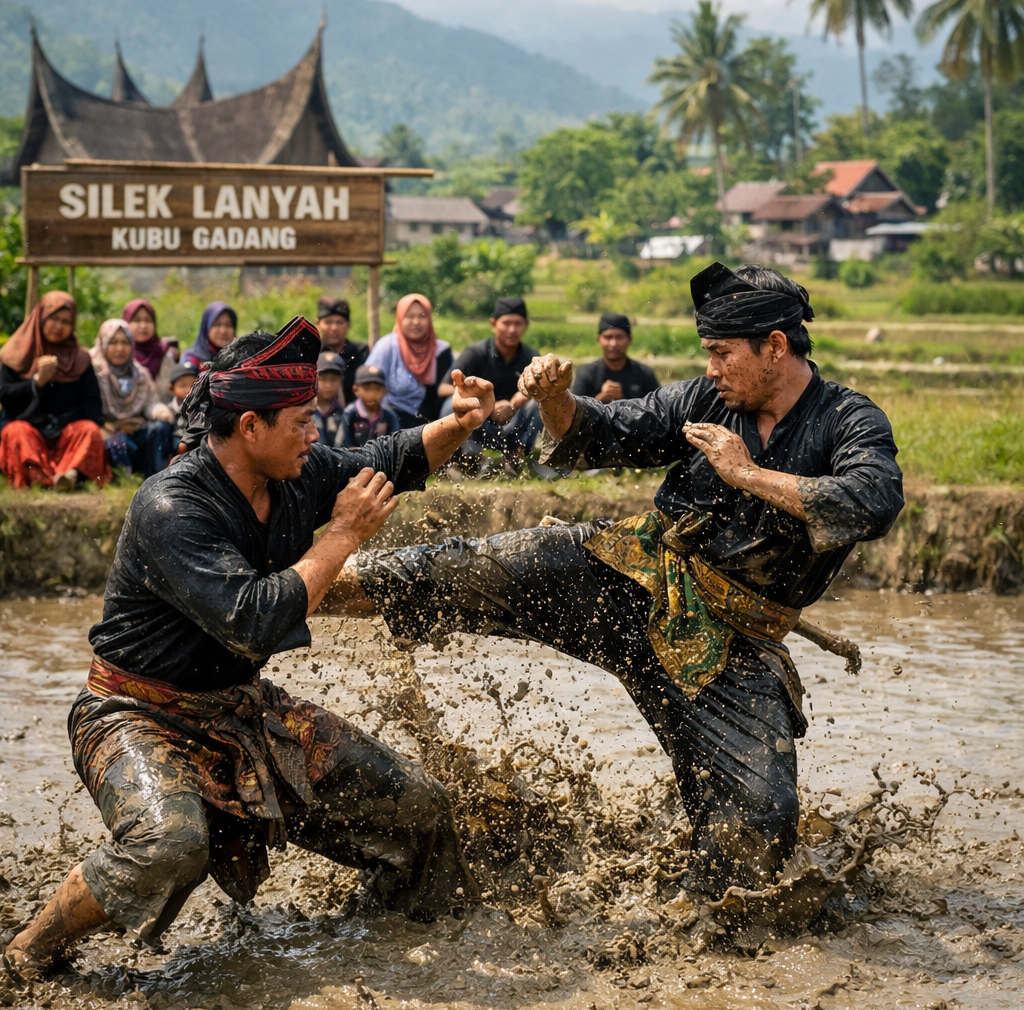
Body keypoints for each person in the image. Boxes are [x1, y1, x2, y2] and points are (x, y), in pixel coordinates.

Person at [316, 263, 905, 901]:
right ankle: (293, 593)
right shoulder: (706, 401)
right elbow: (611, 433)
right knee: (459, 568)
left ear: (776, 347)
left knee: (758, 831)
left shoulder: (848, 419)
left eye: (721, 353)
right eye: (708, 354)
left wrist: (749, 476)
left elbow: (871, 501)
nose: (711, 369)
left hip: (730, 648)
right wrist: (557, 401)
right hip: (631, 579)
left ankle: (703, 942)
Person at [2, 316, 497, 976]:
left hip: (241, 707)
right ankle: (29, 949)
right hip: (137, 715)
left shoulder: (293, 474)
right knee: (169, 845)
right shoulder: (171, 507)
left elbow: (389, 458)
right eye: (300, 421)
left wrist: (459, 424)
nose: (314, 433)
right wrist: (343, 535)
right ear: (251, 428)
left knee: (422, 808)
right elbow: (254, 623)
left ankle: (386, 942)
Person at [0, 292, 111, 491]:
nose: (59, 326)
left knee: (89, 430)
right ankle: (42, 479)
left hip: (65, 431)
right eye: (54, 318)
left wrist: (100, 426)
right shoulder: (15, 353)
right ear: (41, 317)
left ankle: (71, 475)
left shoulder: (81, 359)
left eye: (66, 321)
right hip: (29, 429)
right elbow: (5, 395)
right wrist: (37, 381)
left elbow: (91, 401)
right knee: (15, 431)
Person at [439, 296, 543, 474]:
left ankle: (516, 456)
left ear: (525, 325)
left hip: (513, 425)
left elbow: (541, 388)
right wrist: (487, 405)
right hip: (478, 425)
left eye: (517, 323)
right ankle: (467, 457)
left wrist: (515, 402)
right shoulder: (476, 353)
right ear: (493, 324)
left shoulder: (530, 357)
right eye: (506, 323)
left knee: (539, 403)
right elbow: (444, 388)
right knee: (451, 403)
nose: (512, 329)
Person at [90, 319, 176, 478]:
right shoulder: (93, 370)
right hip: (107, 430)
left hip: (135, 429)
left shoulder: (139, 373)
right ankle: (122, 478)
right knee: (113, 441)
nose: (120, 348)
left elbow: (151, 403)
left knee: (160, 427)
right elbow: (88, 410)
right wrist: (115, 425)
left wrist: (160, 411)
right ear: (103, 343)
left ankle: (156, 477)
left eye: (126, 342)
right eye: (113, 342)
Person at [365, 294, 452, 428]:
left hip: (434, 423)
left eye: (422, 316)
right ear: (400, 319)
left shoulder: (441, 350)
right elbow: (369, 385)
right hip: (393, 420)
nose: (416, 322)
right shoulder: (387, 347)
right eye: (409, 316)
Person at [572, 312, 660, 403]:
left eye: (619, 337)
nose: (613, 344)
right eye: (608, 337)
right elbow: (575, 412)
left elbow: (658, 410)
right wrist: (601, 398)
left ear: (629, 340)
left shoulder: (644, 374)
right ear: (599, 340)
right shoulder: (586, 373)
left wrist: (622, 400)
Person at [122, 298, 175, 403]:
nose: (143, 326)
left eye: (148, 320)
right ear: (126, 322)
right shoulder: (119, 352)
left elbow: (166, 395)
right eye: (137, 320)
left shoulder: (164, 353)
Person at [316, 297, 367, 405]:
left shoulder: (360, 352)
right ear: (318, 324)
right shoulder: (312, 353)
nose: (334, 327)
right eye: (328, 322)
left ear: (348, 324)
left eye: (340, 322)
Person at [339, 365, 401, 448]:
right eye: (367, 389)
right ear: (356, 390)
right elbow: (345, 444)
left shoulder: (390, 417)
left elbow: (396, 445)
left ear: (385, 392)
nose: (372, 394)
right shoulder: (350, 414)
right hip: (354, 458)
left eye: (377, 389)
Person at [181, 301, 237, 369]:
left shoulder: (241, 360)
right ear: (206, 327)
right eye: (217, 324)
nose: (223, 331)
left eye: (228, 325)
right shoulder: (190, 362)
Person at [312, 351, 347, 446]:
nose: (328, 385)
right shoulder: (306, 410)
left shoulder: (341, 412)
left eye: (333, 379)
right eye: (322, 378)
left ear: (341, 381)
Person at [168, 360, 200, 447]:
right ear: (171, 388)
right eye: (183, 386)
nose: (189, 389)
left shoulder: (202, 409)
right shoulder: (168, 411)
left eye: (193, 385)